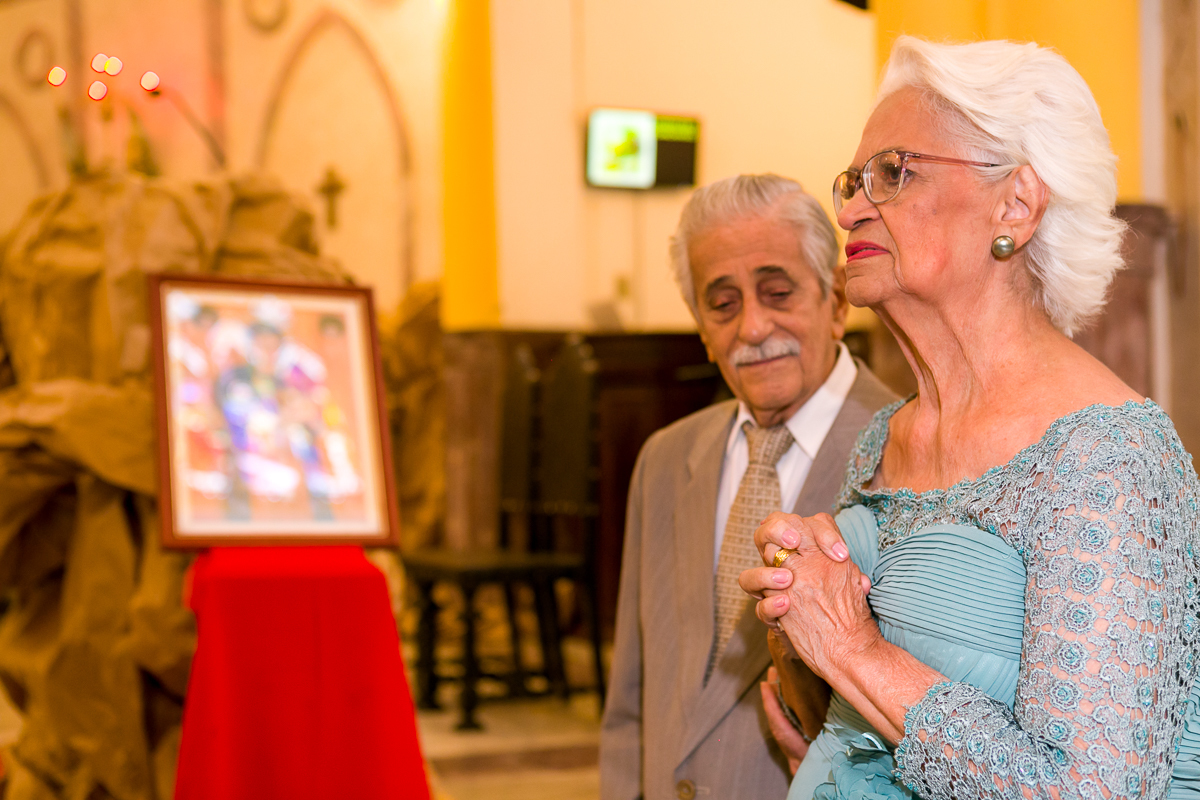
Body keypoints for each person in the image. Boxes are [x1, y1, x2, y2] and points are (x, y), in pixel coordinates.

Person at [739, 36, 1200, 800]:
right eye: (853, 179)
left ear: (1014, 204)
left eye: (893, 172)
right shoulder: (883, 440)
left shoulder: (1107, 455)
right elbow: (862, 720)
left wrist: (854, 648)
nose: (851, 205)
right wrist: (799, 609)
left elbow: (1093, 791)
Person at [599, 174, 897, 800]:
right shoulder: (663, 460)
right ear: (701, 328)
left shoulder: (904, 453)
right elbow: (630, 700)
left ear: (837, 300)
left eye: (777, 292)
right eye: (723, 304)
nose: (754, 328)